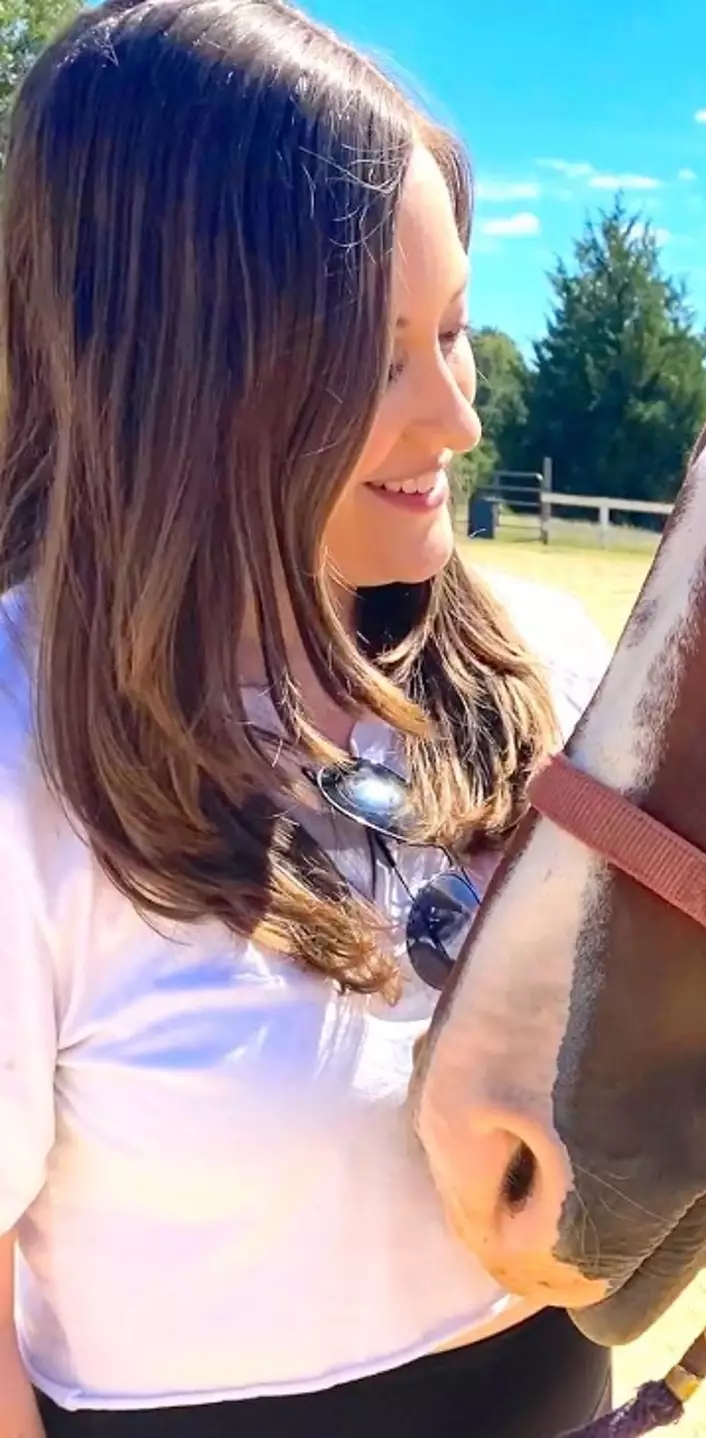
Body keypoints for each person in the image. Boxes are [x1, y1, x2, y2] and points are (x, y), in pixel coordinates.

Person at [0, 1, 614, 1433]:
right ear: (176, 366)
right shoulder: (22, 750)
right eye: (381, 356)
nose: (458, 419)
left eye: (454, 332)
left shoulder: (549, 667)